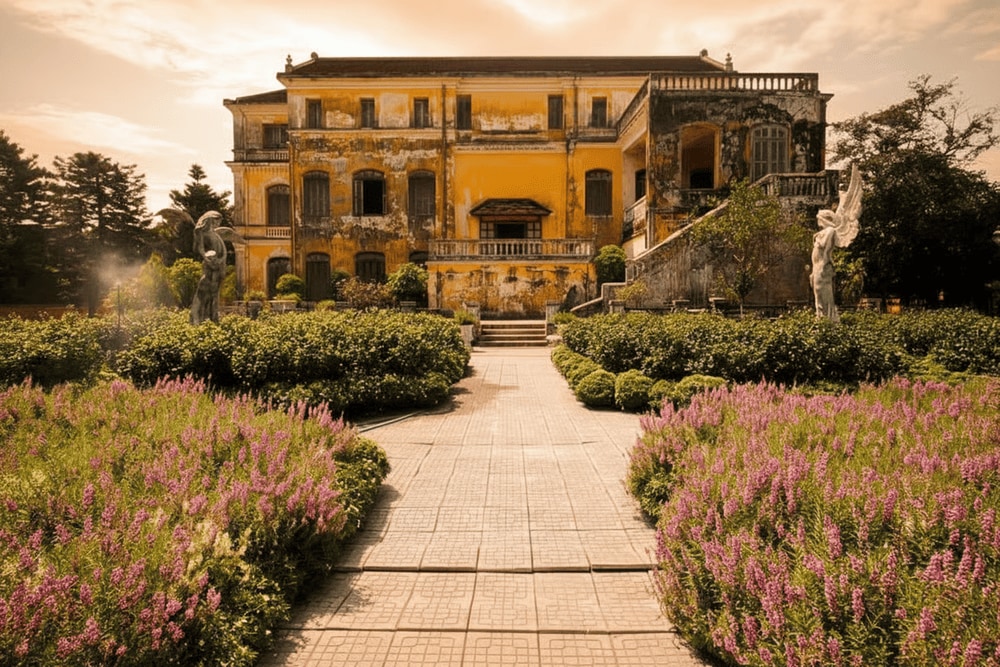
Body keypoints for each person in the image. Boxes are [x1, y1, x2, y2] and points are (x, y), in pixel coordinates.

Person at [811, 165, 862, 321]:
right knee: (818, 299)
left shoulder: (830, 232)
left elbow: (826, 251)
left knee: (823, 299)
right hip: (817, 270)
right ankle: (823, 321)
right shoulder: (824, 232)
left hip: (823, 269)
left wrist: (825, 264)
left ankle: (828, 321)